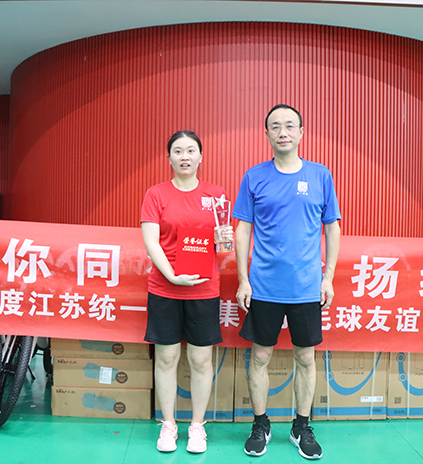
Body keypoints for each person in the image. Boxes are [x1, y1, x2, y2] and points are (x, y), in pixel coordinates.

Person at [233, 104, 341, 460]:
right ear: (266, 134)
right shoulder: (254, 177)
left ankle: (301, 426)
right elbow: (243, 229)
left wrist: (328, 277)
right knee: (260, 355)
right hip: (264, 285)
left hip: (306, 287)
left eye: (290, 126)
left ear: (301, 132)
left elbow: (332, 228)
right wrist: (243, 280)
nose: (283, 132)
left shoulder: (320, 175)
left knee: (306, 357)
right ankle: (260, 424)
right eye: (276, 126)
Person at [140, 130, 234, 453]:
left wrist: (223, 241)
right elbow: (151, 242)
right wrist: (172, 276)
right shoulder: (156, 194)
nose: (184, 156)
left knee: (200, 358)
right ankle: (168, 425)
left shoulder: (216, 196)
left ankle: (197, 426)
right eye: (178, 151)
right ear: (169, 158)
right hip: (165, 288)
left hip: (204, 290)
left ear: (200, 157)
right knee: (167, 357)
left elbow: (223, 249)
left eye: (191, 150)